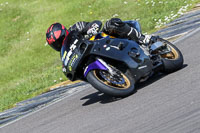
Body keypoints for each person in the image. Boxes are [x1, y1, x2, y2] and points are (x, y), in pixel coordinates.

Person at [46, 18, 157, 52]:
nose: (59, 45)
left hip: (102, 40)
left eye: (60, 40)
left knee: (112, 24)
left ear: (65, 32)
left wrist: (91, 29)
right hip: (96, 54)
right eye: (56, 44)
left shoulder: (76, 28)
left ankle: (143, 39)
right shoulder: (66, 54)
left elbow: (96, 23)